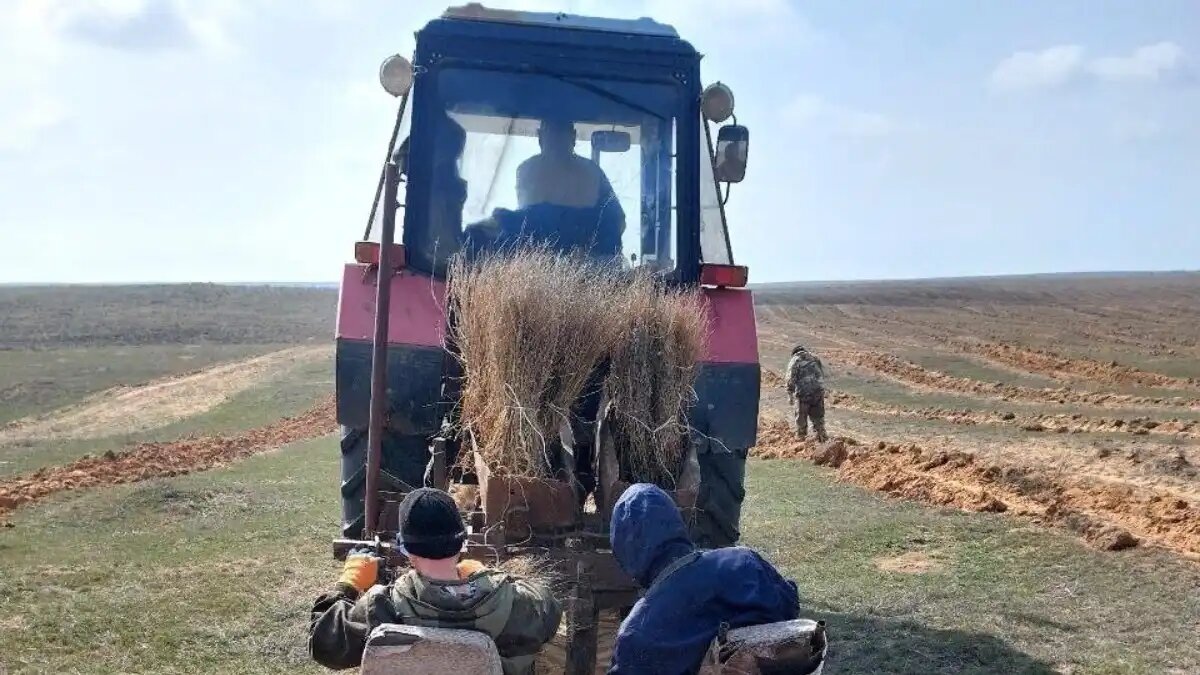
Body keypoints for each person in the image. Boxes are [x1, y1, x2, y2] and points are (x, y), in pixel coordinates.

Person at [308, 487, 563, 675]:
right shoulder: (520, 602)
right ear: (462, 543)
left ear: (405, 548)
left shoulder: (382, 607)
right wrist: (487, 575)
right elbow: (551, 613)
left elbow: (323, 645)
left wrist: (348, 583)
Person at [607, 484, 800, 675]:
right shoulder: (744, 563)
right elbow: (789, 604)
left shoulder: (635, 635)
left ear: (624, 549)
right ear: (675, 522)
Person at [785, 345, 828, 442]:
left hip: (803, 394)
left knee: (801, 420)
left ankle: (802, 441)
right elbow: (821, 374)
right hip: (817, 393)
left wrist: (790, 395)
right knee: (818, 420)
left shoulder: (795, 360)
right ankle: (822, 440)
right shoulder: (815, 358)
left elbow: (790, 379)